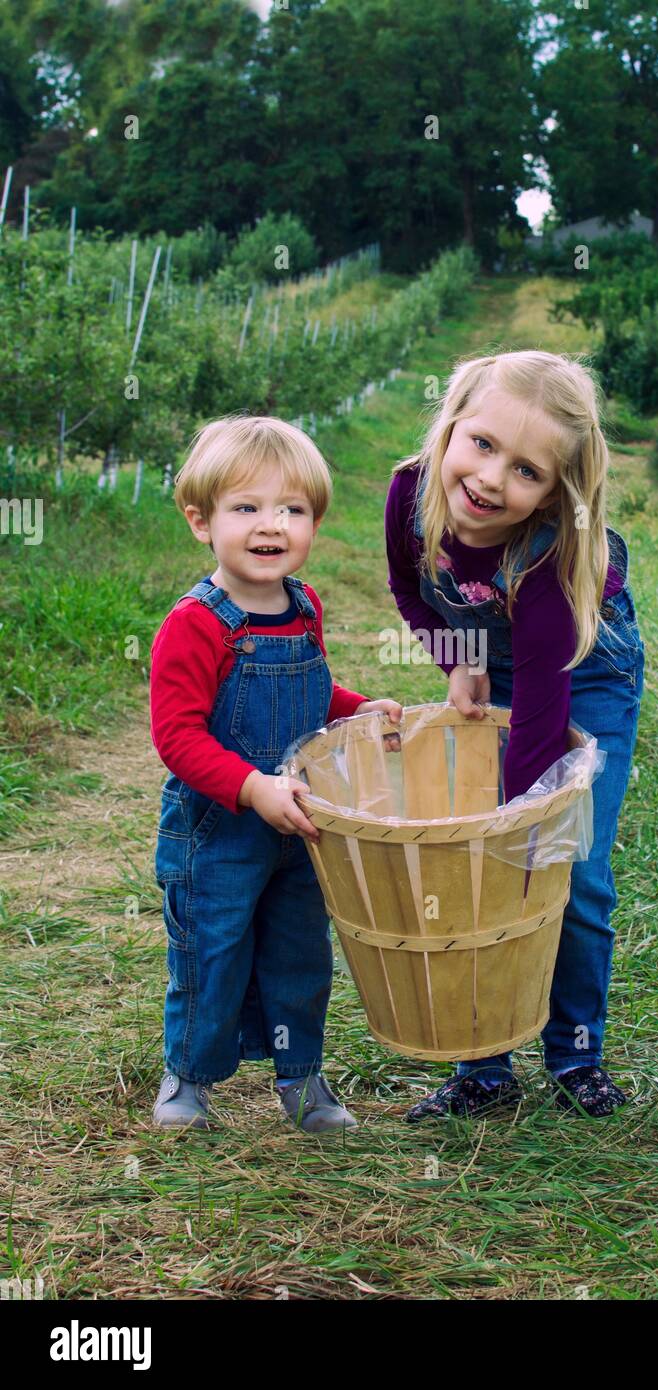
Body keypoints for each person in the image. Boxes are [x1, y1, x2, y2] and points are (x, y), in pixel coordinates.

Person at [385, 350, 644, 1121]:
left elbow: (541, 703)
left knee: (572, 865)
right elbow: (409, 587)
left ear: (553, 493)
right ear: (451, 423)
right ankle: (485, 1068)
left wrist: (526, 823)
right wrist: (455, 657)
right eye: (483, 445)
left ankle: (575, 1051)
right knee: (477, 871)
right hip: (495, 659)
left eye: (527, 472)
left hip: (583, 673)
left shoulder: (548, 552)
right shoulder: (411, 492)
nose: (494, 479)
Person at [150, 415, 401, 1133]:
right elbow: (176, 735)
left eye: (292, 509)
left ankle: (301, 1078)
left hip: (298, 826)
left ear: (314, 522)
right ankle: (189, 1077)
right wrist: (250, 786)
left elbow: (311, 695)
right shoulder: (197, 625)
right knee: (213, 951)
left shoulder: (304, 605)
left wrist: (359, 711)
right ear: (202, 521)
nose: (272, 526)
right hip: (218, 831)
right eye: (247, 508)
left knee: (299, 952)